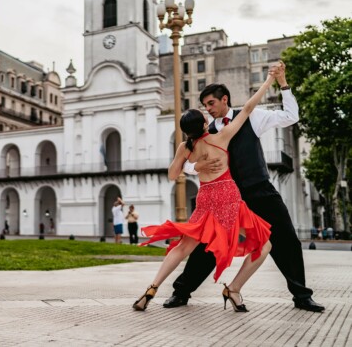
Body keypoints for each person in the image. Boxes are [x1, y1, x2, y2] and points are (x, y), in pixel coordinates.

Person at [161, 61, 324, 313]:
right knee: (207, 247)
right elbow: (187, 163)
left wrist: (282, 82)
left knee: (286, 240)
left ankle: (302, 296)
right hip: (227, 197)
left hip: (260, 190)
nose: (208, 110)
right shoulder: (206, 132)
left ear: (224, 99)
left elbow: (292, 116)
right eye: (204, 106)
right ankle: (181, 292)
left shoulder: (253, 116)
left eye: (211, 104)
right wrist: (199, 168)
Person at [133, 69, 277, 312]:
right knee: (264, 246)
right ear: (202, 124)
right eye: (204, 114)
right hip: (229, 201)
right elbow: (250, 107)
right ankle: (234, 288)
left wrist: (194, 165)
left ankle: (152, 288)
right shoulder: (220, 138)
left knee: (183, 248)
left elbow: (171, 175)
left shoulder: (184, 147)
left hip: (206, 201)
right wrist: (269, 80)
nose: (207, 114)